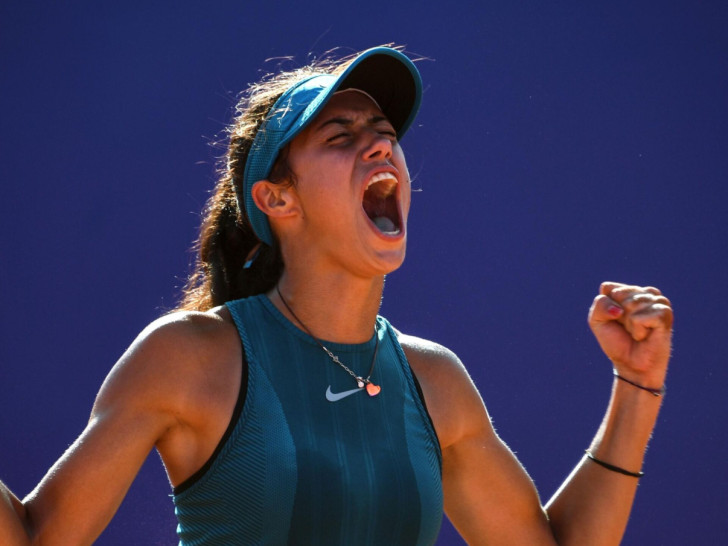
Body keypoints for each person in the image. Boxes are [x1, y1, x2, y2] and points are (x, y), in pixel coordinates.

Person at [0, 46, 673, 545]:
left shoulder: (435, 382)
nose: (380, 146)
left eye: (385, 135)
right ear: (278, 199)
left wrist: (637, 385)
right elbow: (33, 537)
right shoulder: (189, 356)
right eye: (341, 137)